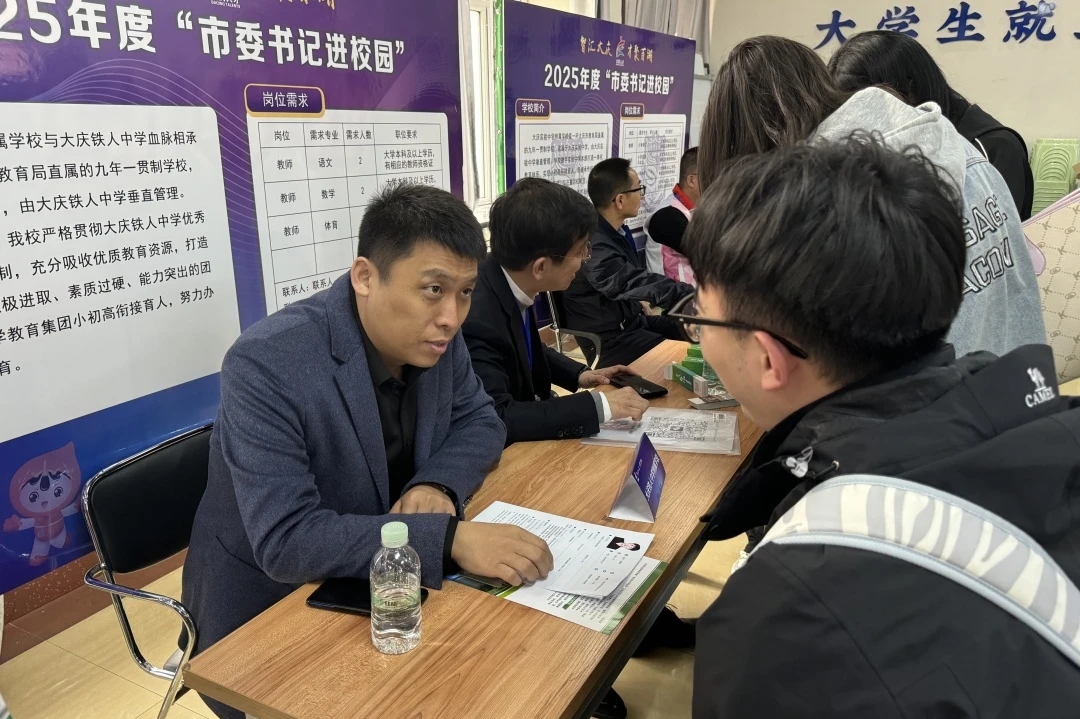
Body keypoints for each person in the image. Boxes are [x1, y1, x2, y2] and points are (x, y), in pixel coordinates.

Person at [676, 135, 1080, 717]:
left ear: (768, 358)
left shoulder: (784, 622)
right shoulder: (1039, 420)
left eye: (699, 315)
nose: (698, 330)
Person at [182, 185, 555, 719]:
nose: (452, 316)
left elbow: (480, 420)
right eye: (433, 289)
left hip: (387, 587)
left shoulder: (438, 336)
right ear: (364, 277)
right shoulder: (267, 362)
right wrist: (447, 539)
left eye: (467, 292)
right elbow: (286, 540)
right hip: (270, 609)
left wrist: (437, 484)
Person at [698, 35, 1044, 361]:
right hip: (1018, 372)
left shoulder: (843, 193)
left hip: (945, 394)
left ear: (760, 138)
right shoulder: (943, 136)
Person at [462, 178, 650, 445]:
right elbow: (499, 416)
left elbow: (524, 349)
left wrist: (580, 374)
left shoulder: (507, 277)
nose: (585, 259)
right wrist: (600, 406)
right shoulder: (477, 318)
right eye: (580, 251)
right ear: (541, 267)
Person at [828, 30, 1035, 220]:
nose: (862, 122)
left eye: (869, 106)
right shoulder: (894, 149)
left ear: (911, 90)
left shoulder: (992, 148)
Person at [561, 158, 694, 368]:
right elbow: (630, 281)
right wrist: (688, 296)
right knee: (682, 356)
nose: (642, 195)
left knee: (696, 329)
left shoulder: (612, 230)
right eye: (639, 189)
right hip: (611, 342)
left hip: (632, 324)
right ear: (620, 200)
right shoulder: (593, 245)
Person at [644, 147, 700, 284]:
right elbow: (711, 253)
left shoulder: (698, 207)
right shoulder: (667, 216)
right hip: (672, 295)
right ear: (692, 180)